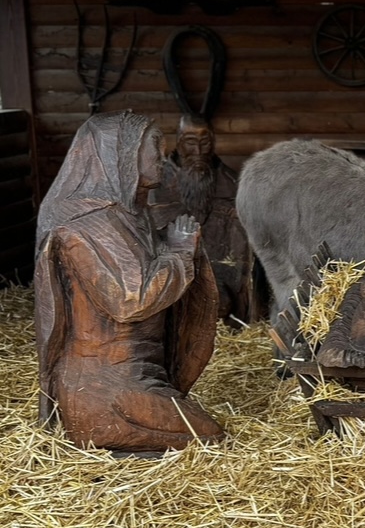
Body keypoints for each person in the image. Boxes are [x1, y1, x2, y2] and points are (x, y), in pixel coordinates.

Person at [35, 111, 223, 452]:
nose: (163, 158)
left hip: (134, 380)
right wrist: (179, 253)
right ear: (119, 152)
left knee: (206, 434)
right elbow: (130, 300)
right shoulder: (89, 225)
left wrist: (171, 245)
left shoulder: (132, 217)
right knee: (209, 436)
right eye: (154, 147)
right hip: (102, 389)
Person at [150, 113, 259, 326]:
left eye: (205, 142)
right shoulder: (154, 185)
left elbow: (243, 257)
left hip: (221, 279)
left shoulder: (232, 184)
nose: (198, 152)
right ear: (179, 142)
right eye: (191, 143)